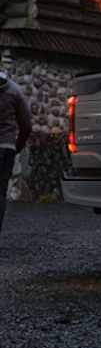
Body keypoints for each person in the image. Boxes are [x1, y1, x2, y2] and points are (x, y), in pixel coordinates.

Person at [0, 70, 32, 232]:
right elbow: (26, 124)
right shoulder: (14, 90)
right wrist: (18, 145)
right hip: (6, 148)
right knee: (0, 191)